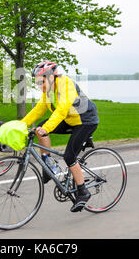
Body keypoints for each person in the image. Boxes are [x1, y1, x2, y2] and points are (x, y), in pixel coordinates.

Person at [21, 61, 99, 212]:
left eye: (40, 82)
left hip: (85, 121)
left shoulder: (65, 84)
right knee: (40, 128)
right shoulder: (48, 90)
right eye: (37, 83)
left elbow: (62, 110)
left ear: (51, 77)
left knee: (69, 156)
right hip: (70, 119)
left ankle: (83, 192)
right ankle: (48, 164)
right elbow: (39, 109)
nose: (39, 86)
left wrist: (47, 128)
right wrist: (21, 125)